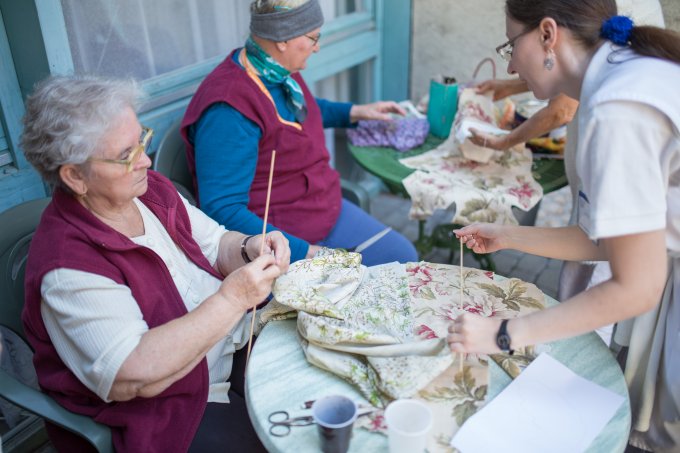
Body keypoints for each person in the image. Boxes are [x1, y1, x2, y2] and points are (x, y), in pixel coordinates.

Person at [447, 1, 680, 451]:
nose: (511, 64)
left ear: (548, 34)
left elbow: (637, 286)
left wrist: (504, 332)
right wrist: (508, 233)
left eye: (512, 45)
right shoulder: (619, 74)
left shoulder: (617, 109)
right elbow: (607, 243)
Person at [20, 76, 290, 452]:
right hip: (173, 409)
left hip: (234, 351)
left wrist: (249, 246)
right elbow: (135, 374)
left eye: (141, 140)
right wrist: (233, 299)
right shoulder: (69, 267)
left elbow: (215, 245)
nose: (145, 160)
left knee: (319, 394)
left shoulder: (150, 191)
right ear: (75, 176)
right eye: (126, 154)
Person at [181, 0, 419, 266]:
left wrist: (356, 112)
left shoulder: (274, 70)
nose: (317, 47)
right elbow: (222, 210)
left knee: (404, 259)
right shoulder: (228, 110)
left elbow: (304, 110)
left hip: (322, 207)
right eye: (314, 38)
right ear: (283, 38)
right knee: (388, 281)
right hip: (280, 238)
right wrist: (304, 251)